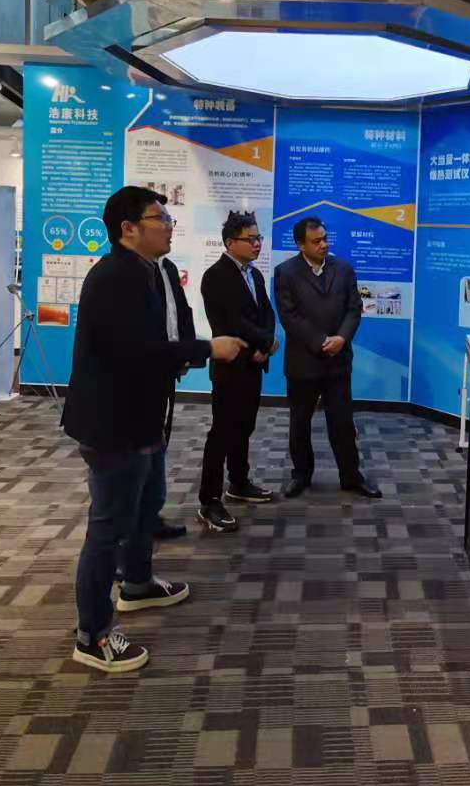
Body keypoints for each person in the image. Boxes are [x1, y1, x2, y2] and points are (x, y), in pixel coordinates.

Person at [62, 185, 247, 674]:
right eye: (159, 219)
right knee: (108, 528)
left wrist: (183, 352)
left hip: (143, 414)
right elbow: (136, 352)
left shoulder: (149, 270)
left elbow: (163, 333)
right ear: (128, 228)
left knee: (147, 504)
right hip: (113, 422)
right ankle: (93, 635)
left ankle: (138, 582)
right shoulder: (114, 277)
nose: (168, 226)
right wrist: (208, 349)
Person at [273, 216, 381, 500]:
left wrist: (341, 339)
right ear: (301, 245)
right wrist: (321, 341)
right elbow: (288, 316)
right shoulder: (285, 272)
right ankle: (301, 475)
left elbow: (354, 309)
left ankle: (351, 477)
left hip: (338, 360)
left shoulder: (343, 269)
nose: (323, 244)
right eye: (316, 241)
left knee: (342, 423)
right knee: (300, 423)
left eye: (324, 238)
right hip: (303, 361)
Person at [196, 210, 279, 532]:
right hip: (230, 366)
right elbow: (232, 321)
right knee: (222, 433)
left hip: (253, 364)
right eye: (251, 239)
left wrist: (266, 343)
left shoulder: (254, 275)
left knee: (245, 426)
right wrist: (264, 341)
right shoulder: (216, 276)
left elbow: (266, 313)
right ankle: (209, 500)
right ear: (230, 242)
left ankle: (239, 482)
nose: (257, 244)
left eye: (259, 238)